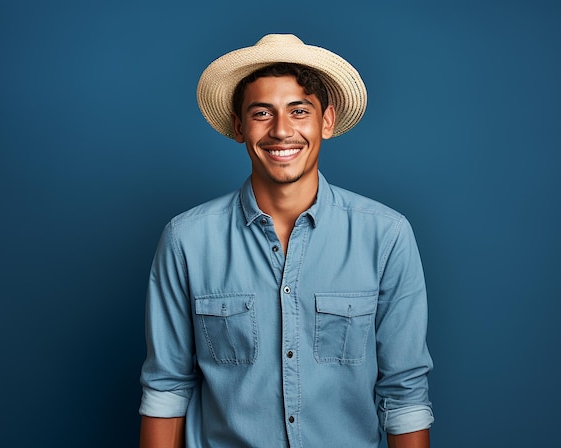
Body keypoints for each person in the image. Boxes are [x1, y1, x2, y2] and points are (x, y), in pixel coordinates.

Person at [139, 34, 434, 448]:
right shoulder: (186, 239)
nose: (281, 131)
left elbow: (404, 393)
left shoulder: (386, 235)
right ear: (239, 126)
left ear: (326, 122)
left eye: (299, 111)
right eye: (262, 113)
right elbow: (166, 388)